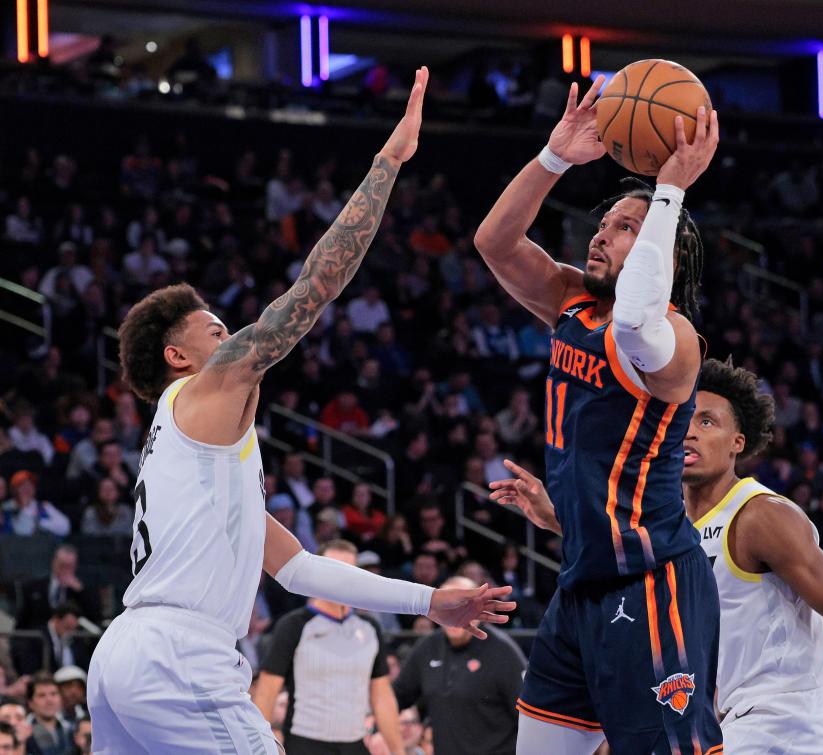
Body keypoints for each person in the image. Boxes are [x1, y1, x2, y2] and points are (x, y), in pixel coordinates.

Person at [85, 68, 515, 754]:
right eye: (216, 330)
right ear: (177, 356)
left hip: (124, 660)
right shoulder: (203, 393)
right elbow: (314, 288)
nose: (232, 337)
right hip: (177, 656)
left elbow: (300, 569)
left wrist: (430, 600)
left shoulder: (194, 464)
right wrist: (388, 161)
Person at [474, 73, 722, 754]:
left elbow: (640, 312)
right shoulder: (571, 300)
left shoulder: (672, 341)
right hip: (580, 579)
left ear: (662, 251)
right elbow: (494, 242)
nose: (601, 236)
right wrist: (554, 157)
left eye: (626, 230)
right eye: (605, 224)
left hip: (651, 582)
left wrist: (670, 187)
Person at [492, 358, 823, 752]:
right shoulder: (669, 522)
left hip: (789, 717)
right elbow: (626, 546)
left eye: (707, 422)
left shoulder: (761, 515)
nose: (690, 432)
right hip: (736, 719)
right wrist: (555, 518)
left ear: (737, 443)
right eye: (685, 420)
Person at [252, 540, 403, 755]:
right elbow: (267, 692)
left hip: (356, 744)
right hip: (305, 744)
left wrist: (398, 751)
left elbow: (382, 698)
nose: (342, 577)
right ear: (318, 573)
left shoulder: (370, 628)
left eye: (350, 570)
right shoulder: (294, 625)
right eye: (334, 569)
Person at [393, 576, 527, 755]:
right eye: (447, 606)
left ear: (479, 607)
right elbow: (397, 697)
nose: (454, 613)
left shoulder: (503, 651)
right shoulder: (427, 648)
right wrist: (376, 725)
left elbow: (526, 717)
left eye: (463, 605)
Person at [26, 673, 74, 755]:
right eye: (42, 695)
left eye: (53, 694)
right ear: (30, 703)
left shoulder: (72, 728)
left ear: (60, 698)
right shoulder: (24, 733)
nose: (49, 700)